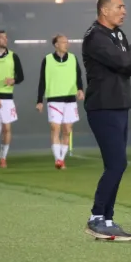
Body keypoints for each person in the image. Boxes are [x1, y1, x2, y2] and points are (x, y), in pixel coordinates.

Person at [82, 0, 131, 241]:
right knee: (117, 164)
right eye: (119, 7)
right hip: (103, 107)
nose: (124, 11)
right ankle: (96, 217)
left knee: (115, 165)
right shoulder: (95, 37)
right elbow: (125, 61)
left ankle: (107, 220)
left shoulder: (117, 34)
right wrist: (128, 59)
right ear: (104, 10)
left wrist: (129, 60)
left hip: (119, 105)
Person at [36, 34, 84, 169]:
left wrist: (80, 89)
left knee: (67, 130)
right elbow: (42, 80)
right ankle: (58, 159)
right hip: (54, 99)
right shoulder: (47, 60)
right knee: (55, 128)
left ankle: (61, 159)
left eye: (67, 42)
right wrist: (39, 100)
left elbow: (78, 76)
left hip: (70, 99)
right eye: (63, 42)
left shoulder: (73, 58)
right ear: (56, 45)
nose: (66, 44)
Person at [0, 30, 24, 168]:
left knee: (7, 128)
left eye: (6, 37)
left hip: (7, 98)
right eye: (2, 38)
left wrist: (13, 80)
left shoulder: (13, 56)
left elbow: (21, 76)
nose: (5, 39)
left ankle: (3, 157)